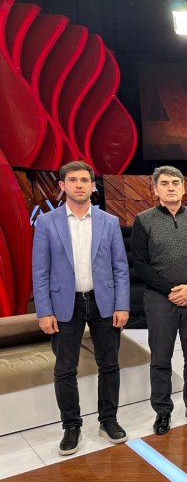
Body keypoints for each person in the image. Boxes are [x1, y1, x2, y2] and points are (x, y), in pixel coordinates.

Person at [31, 160, 130, 455]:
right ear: (62, 186)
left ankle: (108, 420)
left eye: (84, 180)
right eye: (73, 180)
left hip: (104, 301)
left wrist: (122, 304)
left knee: (109, 364)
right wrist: (44, 311)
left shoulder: (109, 221)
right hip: (64, 304)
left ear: (92, 186)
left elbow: (120, 267)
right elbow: (40, 272)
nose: (79, 185)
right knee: (65, 369)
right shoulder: (46, 223)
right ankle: (71, 426)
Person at [131, 166, 187, 435]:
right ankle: (163, 411)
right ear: (155, 189)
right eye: (164, 183)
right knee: (161, 358)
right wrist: (172, 290)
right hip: (159, 299)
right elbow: (140, 264)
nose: (170, 187)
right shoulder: (143, 220)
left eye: (175, 183)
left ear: (184, 188)